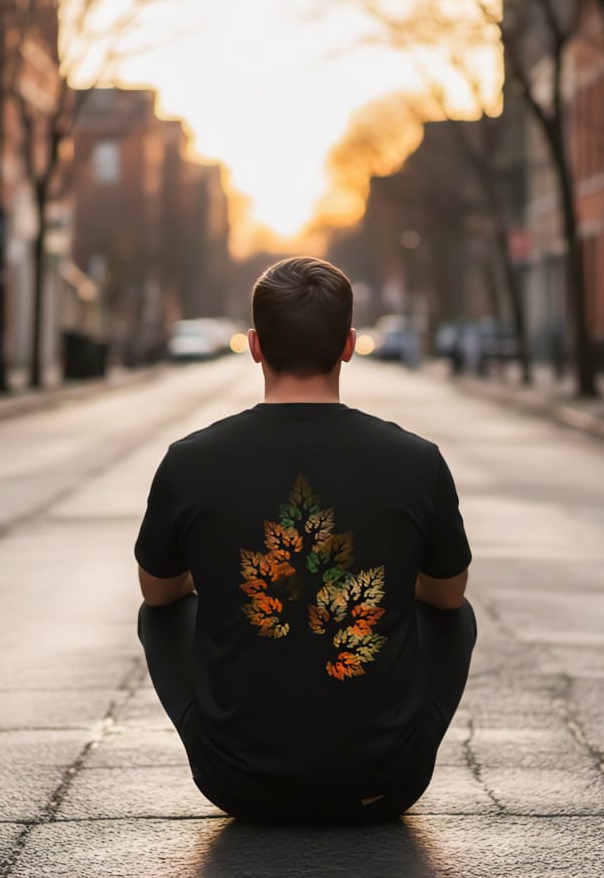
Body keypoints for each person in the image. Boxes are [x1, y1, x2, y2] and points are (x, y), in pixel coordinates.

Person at [135, 256, 476, 825]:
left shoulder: (189, 461)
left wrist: (218, 570)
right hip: (387, 784)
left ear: (253, 345)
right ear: (348, 345)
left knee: (161, 616)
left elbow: (158, 591)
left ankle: (242, 748)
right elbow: (446, 595)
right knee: (455, 616)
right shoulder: (418, 461)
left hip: (237, 785)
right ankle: (379, 750)